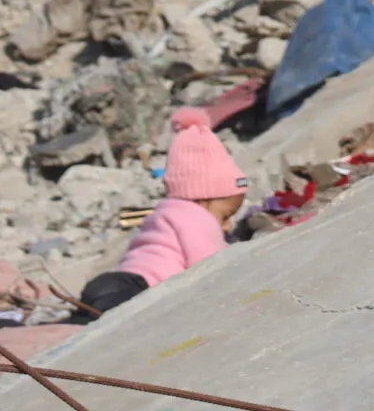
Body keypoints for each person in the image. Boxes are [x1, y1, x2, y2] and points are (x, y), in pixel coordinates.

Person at [77, 108, 250, 316]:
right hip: (138, 289)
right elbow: (212, 263)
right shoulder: (197, 218)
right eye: (225, 216)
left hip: (115, 281)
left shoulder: (164, 211)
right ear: (202, 198)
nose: (228, 226)